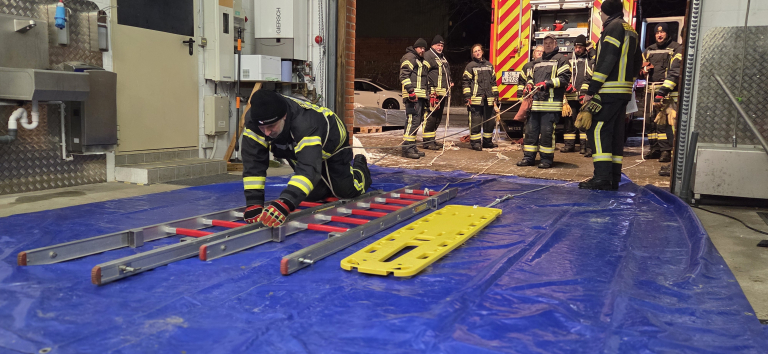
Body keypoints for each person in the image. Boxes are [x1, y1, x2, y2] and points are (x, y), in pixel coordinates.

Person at [241, 90, 372, 226]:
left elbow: (309, 168)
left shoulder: (306, 123)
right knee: (312, 195)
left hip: (331, 146)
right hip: (296, 149)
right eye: (262, 128)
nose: (267, 133)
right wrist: (253, 203)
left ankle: (361, 165)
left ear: (284, 116)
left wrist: (286, 202)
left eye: (271, 126)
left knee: (346, 191)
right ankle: (326, 184)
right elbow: (253, 162)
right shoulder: (254, 122)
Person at [578, 0, 643, 190]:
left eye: (600, 13)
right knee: (614, 133)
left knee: (597, 129)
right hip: (623, 91)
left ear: (604, 12)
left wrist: (592, 89)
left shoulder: (612, 28)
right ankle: (613, 177)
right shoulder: (630, 29)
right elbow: (638, 60)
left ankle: (602, 178)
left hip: (609, 90)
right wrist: (628, 82)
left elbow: (607, 60)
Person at [516, 33, 571, 169]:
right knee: (530, 132)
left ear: (555, 44)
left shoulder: (561, 60)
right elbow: (530, 77)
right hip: (534, 105)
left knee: (547, 133)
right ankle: (528, 158)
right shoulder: (537, 62)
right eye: (545, 43)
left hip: (550, 105)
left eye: (550, 43)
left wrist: (547, 84)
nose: (547, 45)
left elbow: (564, 78)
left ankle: (546, 159)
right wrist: (529, 84)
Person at [641, 22, 682, 163]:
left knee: (663, 123)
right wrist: (644, 70)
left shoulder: (676, 48)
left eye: (662, 32)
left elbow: (675, 73)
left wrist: (663, 92)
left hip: (667, 93)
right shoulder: (649, 50)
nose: (659, 35)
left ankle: (666, 150)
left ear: (667, 33)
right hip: (651, 91)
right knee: (650, 122)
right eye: (657, 33)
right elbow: (640, 70)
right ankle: (654, 149)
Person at [462, 44, 500, 151]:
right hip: (475, 99)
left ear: (482, 52)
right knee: (476, 122)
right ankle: (475, 143)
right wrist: (467, 96)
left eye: (479, 50)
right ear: (473, 54)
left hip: (488, 99)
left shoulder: (489, 65)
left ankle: (487, 142)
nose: (477, 52)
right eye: (475, 51)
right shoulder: (470, 66)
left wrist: (496, 95)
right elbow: (465, 82)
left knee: (489, 122)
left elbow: (493, 82)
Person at [561, 34, 594, 155]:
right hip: (571, 96)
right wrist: (567, 86)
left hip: (584, 96)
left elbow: (589, 77)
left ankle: (584, 147)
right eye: (576, 47)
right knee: (570, 121)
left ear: (585, 47)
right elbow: (563, 74)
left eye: (580, 47)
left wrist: (584, 93)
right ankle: (569, 145)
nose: (578, 49)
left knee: (583, 121)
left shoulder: (590, 59)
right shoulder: (568, 59)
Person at [399, 38, 429, 159]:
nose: (422, 50)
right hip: (413, 96)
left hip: (420, 95)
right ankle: (407, 148)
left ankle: (412, 146)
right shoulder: (410, 57)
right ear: (416, 47)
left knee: (417, 122)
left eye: (424, 48)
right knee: (412, 121)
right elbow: (403, 75)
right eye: (421, 48)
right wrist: (410, 91)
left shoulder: (420, 60)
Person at [423, 35, 452, 150]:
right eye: (438, 45)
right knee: (431, 117)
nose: (440, 47)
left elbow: (445, 73)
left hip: (443, 93)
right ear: (432, 45)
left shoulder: (442, 57)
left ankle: (432, 139)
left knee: (437, 118)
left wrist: (450, 82)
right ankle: (427, 142)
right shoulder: (428, 56)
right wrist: (430, 90)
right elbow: (424, 74)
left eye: (441, 45)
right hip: (433, 93)